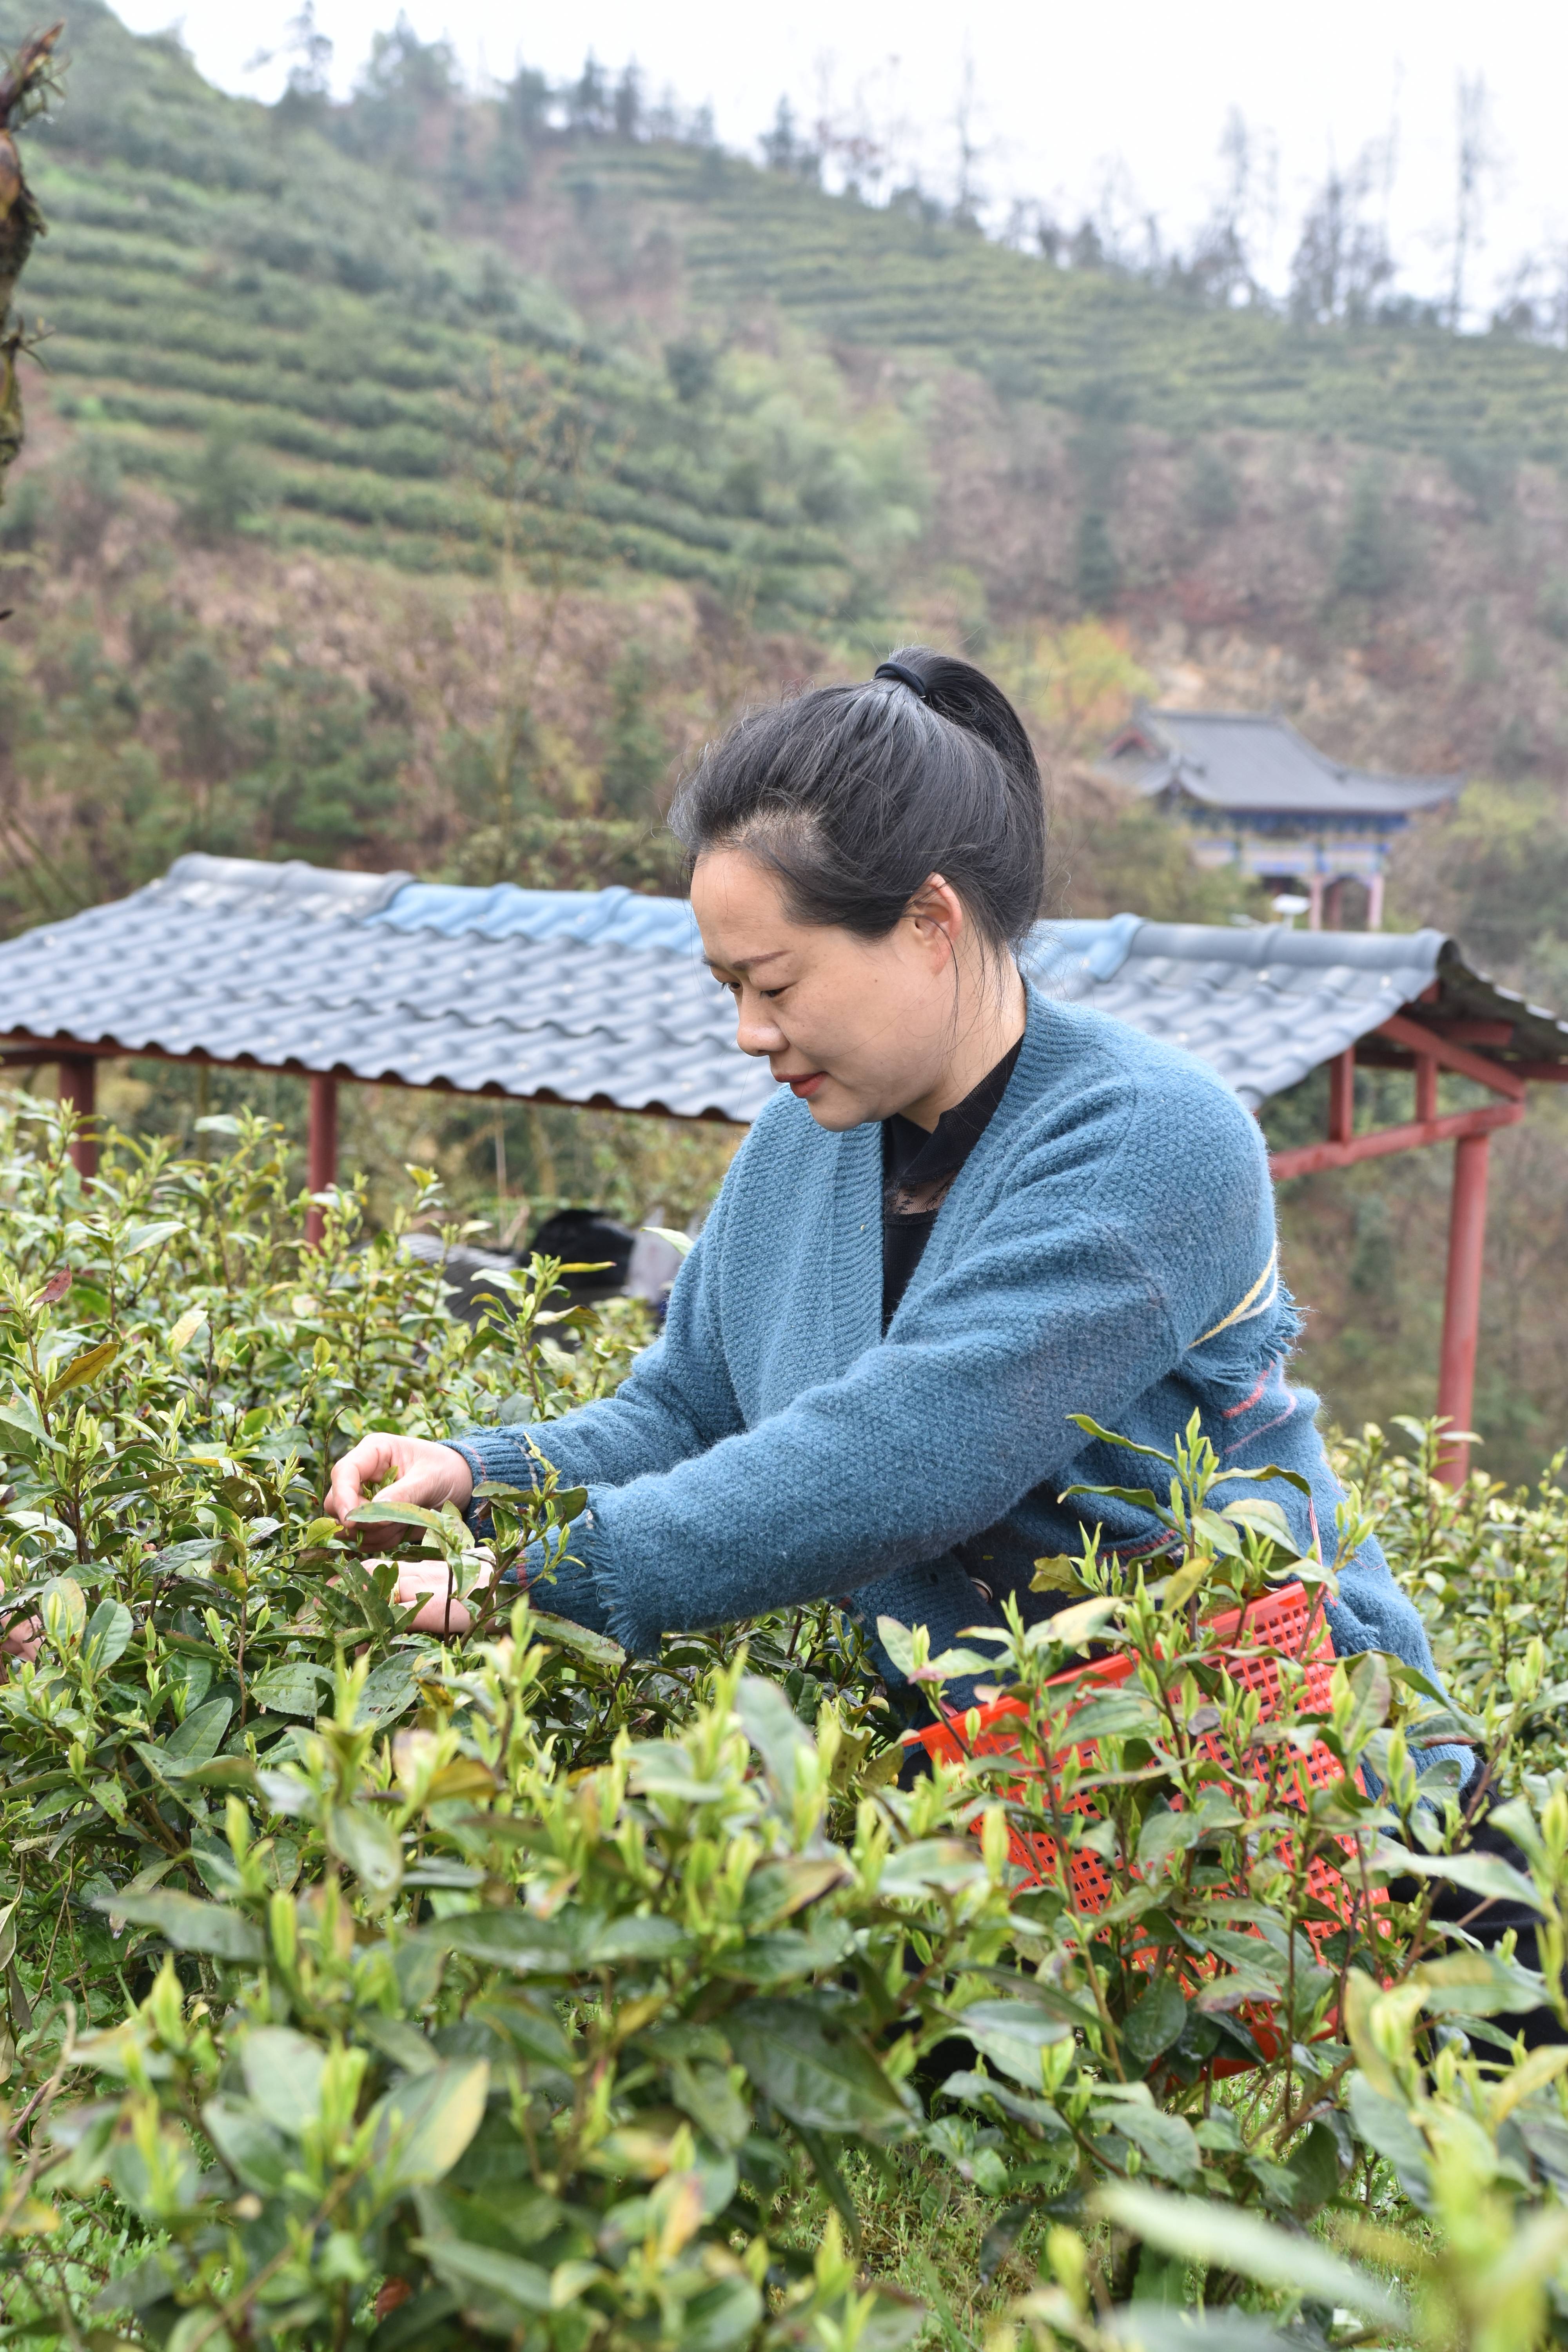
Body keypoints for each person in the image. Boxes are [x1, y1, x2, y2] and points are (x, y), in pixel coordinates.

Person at [325, 648, 1452, 1723]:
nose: (748, 1033)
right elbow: (686, 1414)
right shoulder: (796, 1148)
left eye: (772, 983)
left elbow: (911, 1457)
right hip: (1013, 1778)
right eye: (728, 987)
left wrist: (541, 1574)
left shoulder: (1153, 1138)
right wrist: (477, 1472)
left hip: (1275, 1765)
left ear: (928, 923)